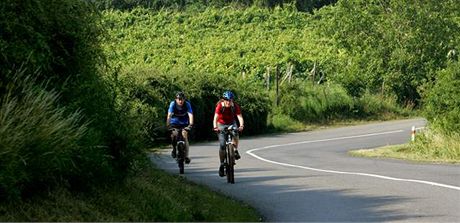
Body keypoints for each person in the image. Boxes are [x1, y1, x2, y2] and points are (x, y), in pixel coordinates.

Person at [213, 90, 244, 177]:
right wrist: (215, 127)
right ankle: (222, 164)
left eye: (230, 100)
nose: (228, 102)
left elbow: (239, 116)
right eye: (226, 100)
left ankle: (235, 150)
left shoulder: (235, 106)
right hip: (221, 124)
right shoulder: (220, 106)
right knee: (222, 145)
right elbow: (215, 118)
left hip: (231, 122)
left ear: (232, 100)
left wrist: (241, 125)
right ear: (223, 100)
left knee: (236, 133)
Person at [166, 91, 194, 164]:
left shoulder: (187, 104)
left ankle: (187, 156)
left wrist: (190, 125)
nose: (180, 101)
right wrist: (168, 125)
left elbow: (190, 115)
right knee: (174, 135)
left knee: (185, 137)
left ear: (184, 99)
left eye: (182, 99)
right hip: (174, 123)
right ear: (176, 99)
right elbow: (169, 115)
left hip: (184, 123)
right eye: (179, 99)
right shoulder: (173, 104)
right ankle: (174, 149)